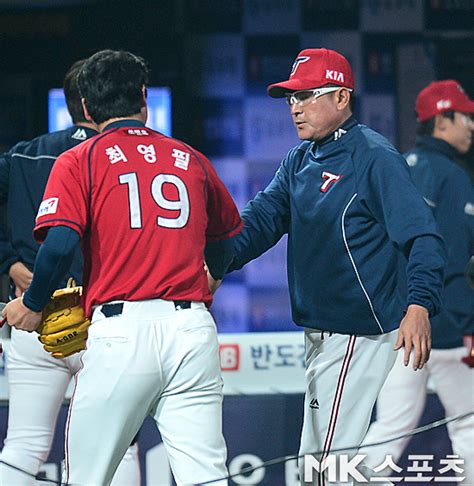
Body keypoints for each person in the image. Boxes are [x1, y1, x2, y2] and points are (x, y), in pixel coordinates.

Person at [205, 48, 446, 486]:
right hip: (323, 332)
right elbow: (259, 222)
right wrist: (212, 265)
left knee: (323, 464)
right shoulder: (299, 160)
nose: (295, 106)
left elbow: (422, 236)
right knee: (327, 462)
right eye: (291, 98)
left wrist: (420, 304)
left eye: (307, 95)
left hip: (356, 332)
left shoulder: (372, 156)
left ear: (341, 97)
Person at [3, 49, 242, 486]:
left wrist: (34, 304)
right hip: (191, 330)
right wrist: (213, 278)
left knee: (88, 476)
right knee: (205, 476)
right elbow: (228, 237)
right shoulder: (189, 158)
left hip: (121, 331)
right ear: (144, 97)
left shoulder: (80, 160)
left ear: (87, 108)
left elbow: (58, 246)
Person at [0, 59, 141, 486]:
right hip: (103, 318)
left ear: (75, 103)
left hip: (34, 317)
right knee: (119, 446)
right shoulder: (125, 158)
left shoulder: (24, 154)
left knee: (24, 443)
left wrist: (9, 261)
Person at [361, 80, 474, 484]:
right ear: (442, 120)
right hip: (443, 330)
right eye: (466, 116)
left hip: (398, 327)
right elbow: (452, 262)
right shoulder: (452, 176)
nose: (471, 125)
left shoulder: (395, 165)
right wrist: (468, 325)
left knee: (390, 427)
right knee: (469, 427)